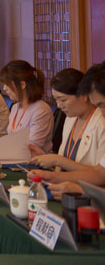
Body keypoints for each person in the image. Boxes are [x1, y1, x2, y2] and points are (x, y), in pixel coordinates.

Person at [29, 63, 105, 197]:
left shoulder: (100, 122)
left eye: (63, 100)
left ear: (83, 96)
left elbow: (100, 175)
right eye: (56, 100)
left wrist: (57, 163)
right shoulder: (70, 118)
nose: (59, 106)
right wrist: (49, 165)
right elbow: (98, 172)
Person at [0, 60, 53, 153]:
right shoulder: (16, 107)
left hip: (33, 161)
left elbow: (32, 148)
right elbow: (13, 140)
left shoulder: (41, 110)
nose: (4, 88)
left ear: (22, 85)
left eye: (7, 84)